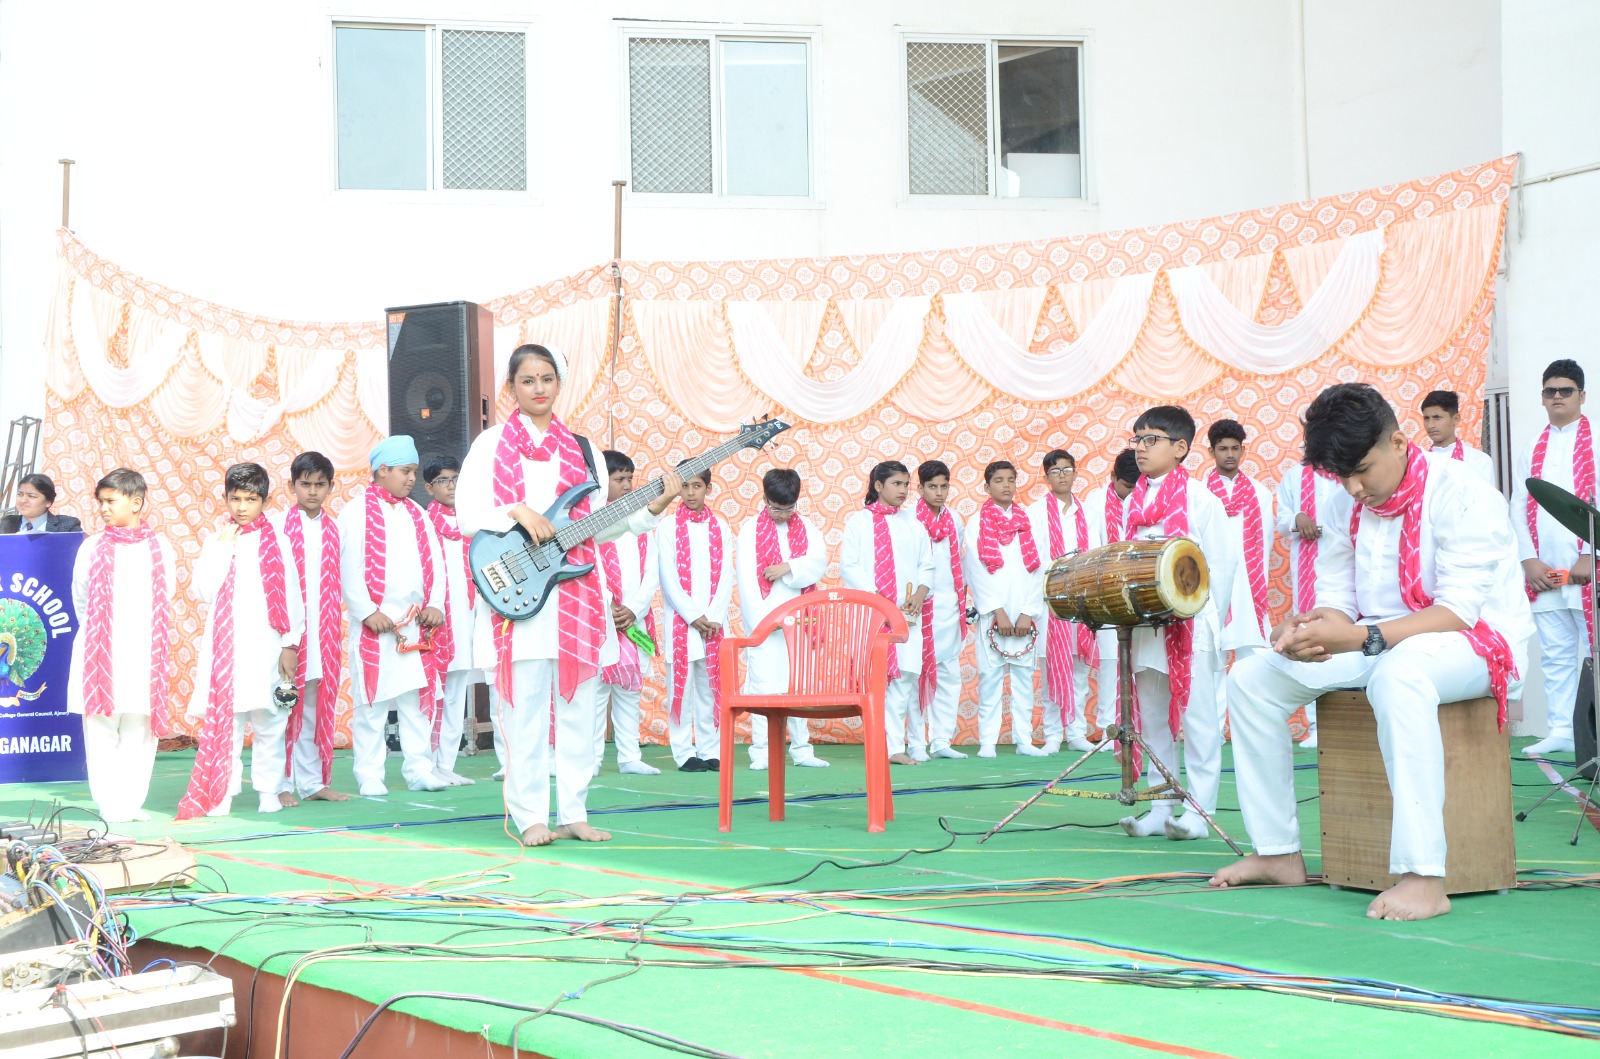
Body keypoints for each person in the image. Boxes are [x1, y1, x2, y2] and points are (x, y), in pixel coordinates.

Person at [1213, 383, 1532, 922]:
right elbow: (1339, 601)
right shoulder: (1344, 503)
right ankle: (1277, 853)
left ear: (1399, 443)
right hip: (1380, 644)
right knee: (1251, 678)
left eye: (1362, 470)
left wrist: (1362, 638)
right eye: (1342, 476)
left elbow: (1458, 611)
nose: (1355, 487)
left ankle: (1425, 877)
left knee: (1399, 675)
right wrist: (1311, 629)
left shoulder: (1465, 494)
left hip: (1478, 644)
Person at [457, 344, 680, 846]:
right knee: (525, 712)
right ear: (511, 387)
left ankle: (573, 811)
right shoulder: (490, 445)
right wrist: (517, 511)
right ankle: (530, 816)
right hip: (519, 595)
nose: (538, 389)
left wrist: (653, 508)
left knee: (580, 711)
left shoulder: (583, 450)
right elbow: (468, 514)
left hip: (578, 596)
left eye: (547, 379)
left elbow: (599, 527)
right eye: (527, 380)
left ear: (559, 384)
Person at [1119, 406, 1236, 841]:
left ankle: (1200, 813)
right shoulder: (1132, 503)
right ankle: (1159, 807)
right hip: (1147, 628)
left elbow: (1221, 569)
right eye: (1137, 439)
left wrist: (1200, 619)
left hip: (1191, 628)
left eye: (1151, 439)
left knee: (1199, 721)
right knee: (1152, 720)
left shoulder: (1202, 500)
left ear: (1181, 448)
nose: (1141, 448)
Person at [176, 463, 305, 818]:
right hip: (226, 649)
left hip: (268, 646)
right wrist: (222, 548)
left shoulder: (278, 541)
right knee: (227, 725)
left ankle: (268, 791)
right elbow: (203, 591)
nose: (242, 507)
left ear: (265, 500)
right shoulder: (217, 540)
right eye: (236, 499)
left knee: (270, 723)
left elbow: (293, 597)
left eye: (251, 499)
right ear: (225, 499)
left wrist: (290, 644)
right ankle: (224, 794)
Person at [339, 436, 449, 798]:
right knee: (371, 703)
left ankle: (420, 769)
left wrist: (435, 604)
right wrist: (367, 612)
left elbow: (436, 563)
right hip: (375, 624)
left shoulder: (417, 513)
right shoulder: (355, 512)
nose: (412, 479)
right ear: (382, 470)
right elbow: (348, 568)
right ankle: (369, 775)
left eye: (414, 471)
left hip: (415, 623)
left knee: (415, 701)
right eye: (405, 471)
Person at [66, 469, 175, 823]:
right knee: (101, 730)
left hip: (144, 652)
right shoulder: (92, 547)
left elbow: (166, 597)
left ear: (136, 502)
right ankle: (110, 805)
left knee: (139, 730)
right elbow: (81, 600)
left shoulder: (160, 547)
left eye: (111, 501)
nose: (103, 508)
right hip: (101, 655)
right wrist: (101, 638)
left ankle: (130, 803)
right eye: (101, 502)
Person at [1510, 359, 1597, 758]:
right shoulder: (1532, 447)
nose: (1558, 397)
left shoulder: (1596, 442)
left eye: (1566, 390)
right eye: (1550, 391)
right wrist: (1529, 560)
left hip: (1588, 570)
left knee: (1595, 654)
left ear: (1582, 395)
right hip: (1545, 571)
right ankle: (1562, 729)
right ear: (1542, 398)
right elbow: (1519, 504)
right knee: (1556, 655)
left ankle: (1594, 731)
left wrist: (1589, 553)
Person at [735, 468, 830, 770]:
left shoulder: (807, 527)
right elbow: (747, 582)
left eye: (789, 509)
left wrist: (788, 567)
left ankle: (802, 750)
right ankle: (762, 752)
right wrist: (763, 624)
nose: (783, 515)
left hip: (800, 620)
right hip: (764, 623)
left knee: (798, 686)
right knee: (763, 687)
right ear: (765, 499)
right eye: (776, 508)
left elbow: (818, 562)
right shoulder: (750, 530)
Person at [842, 461, 933, 765]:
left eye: (906, 484)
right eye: (897, 484)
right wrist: (879, 600)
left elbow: (927, 565)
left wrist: (920, 594)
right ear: (878, 486)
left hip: (906, 614)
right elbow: (849, 566)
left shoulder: (913, 522)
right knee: (876, 679)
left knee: (904, 677)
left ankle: (895, 747)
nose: (903, 490)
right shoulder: (859, 522)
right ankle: (884, 745)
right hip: (872, 614)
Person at [271, 451, 349, 805]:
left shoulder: (336, 529)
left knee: (315, 707)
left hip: (324, 633)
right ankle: (280, 783)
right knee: (284, 705)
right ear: (292, 486)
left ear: (331, 487)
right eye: (305, 484)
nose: (313, 492)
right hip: (288, 634)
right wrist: (284, 636)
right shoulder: (277, 527)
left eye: (320, 485)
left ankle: (313, 782)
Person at [963, 461, 1047, 757]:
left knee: (1024, 679)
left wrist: (1028, 611)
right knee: (990, 678)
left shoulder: (1028, 521)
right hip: (993, 613)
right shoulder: (977, 523)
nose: (1006, 485)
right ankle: (988, 742)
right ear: (987, 487)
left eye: (1011, 480)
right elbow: (976, 571)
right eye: (999, 480)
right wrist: (997, 612)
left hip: (1024, 612)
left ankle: (1024, 741)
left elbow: (1039, 569)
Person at [1275, 449, 1354, 749]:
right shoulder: (1295, 476)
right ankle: (1316, 724)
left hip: (1346, 569)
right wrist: (1298, 518)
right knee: (1310, 639)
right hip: (1308, 569)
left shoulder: (1349, 470)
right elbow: (1282, 520)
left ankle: (1349, 720)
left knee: (1346, 639)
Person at [657, 463, 732, 773]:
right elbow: (668, 577)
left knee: (709, 688)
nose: (690, 493)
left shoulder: (721, 527)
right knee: (681, 688)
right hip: (681, 623)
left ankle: (710, 749)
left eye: (697, 486)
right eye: (685, 486)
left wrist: (712, 617)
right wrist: (693, 616)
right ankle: (683, 752)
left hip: (713, 623)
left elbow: (726, 575)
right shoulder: (667, 527)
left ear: (708, 489)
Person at [593, 449, 664, 777]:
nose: (626, 485)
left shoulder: (641, 521)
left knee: (630, 689)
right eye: (618, 479)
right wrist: (609, 606)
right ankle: (592, 758)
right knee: (597, 692)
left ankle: (629, 756)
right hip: (602, 621)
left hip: (634, 621)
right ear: (601, 482)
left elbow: (652, 572)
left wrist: (634, 609)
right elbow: (590, 568)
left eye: (629, 478)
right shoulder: (591, 520)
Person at [899, 459, 969, 759]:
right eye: (932, 487)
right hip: (919, 607)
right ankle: (916, 742)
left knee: (949, 673)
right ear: (920, 488)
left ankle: (942, 740)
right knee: (918, 674)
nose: (939, 493)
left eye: (944, 487)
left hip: (949, 606)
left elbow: (959, 563)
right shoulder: (909, 521)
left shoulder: (954, 520)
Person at [1028, 449, 1096, 753]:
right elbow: (1031, 559)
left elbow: (1095, 553)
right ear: (1046, 478)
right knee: (1052, 668)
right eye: (1056, 471)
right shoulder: (1035, 513)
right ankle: (1053, 734)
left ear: (1075, 473)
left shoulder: (1087, 512)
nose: (1062, 476)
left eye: (1067, 470)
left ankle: (1077, 732)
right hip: (1049, 600)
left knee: (1079, 668)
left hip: (1081, 598)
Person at [423, 455, 481, 787]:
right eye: (443, 481)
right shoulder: (424, 524)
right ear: (429, 488)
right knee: (433, 694)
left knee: (457, 693)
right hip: (436, 621)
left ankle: (446, 764)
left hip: (466, 618)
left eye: (456, 479)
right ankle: (426, 763)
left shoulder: (473, 523)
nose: (451, 486)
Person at [1205, 419, 1275, 668]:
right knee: (1211, 652)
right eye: (1223, 449)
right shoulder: (1201, 494)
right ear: (1211, 452)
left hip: (1248, 582)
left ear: (1243, 450)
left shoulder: (1260, 493)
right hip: (1211, 580)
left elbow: (1266, 543)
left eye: (1235, 448)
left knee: (1252, 652)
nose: (1230, 455)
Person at [1080, 449, 1140, 739]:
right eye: (1127, 486)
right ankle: (1108, 729)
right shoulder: (1095, 502)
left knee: (1140, 661)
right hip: (1107, 590)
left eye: (1136, 487)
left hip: (1140, 591)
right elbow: (1092, 548)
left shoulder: (1147, 497)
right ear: (1113, 477)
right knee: (1109, 661)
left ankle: (1138, 727)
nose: (1131, 493)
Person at [1419, 390, 1496, 487]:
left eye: (1437, 417)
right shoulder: (1420, 462)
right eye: (1426, 418)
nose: (1431, 425)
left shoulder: (1478, 461)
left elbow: (1486, 495)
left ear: (1456, 419)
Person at [1, 473, 82, 534]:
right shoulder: (6, 524)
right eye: (20, 494)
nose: (23, 500)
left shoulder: (68, 526)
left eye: (31, 496)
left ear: (48, 501)